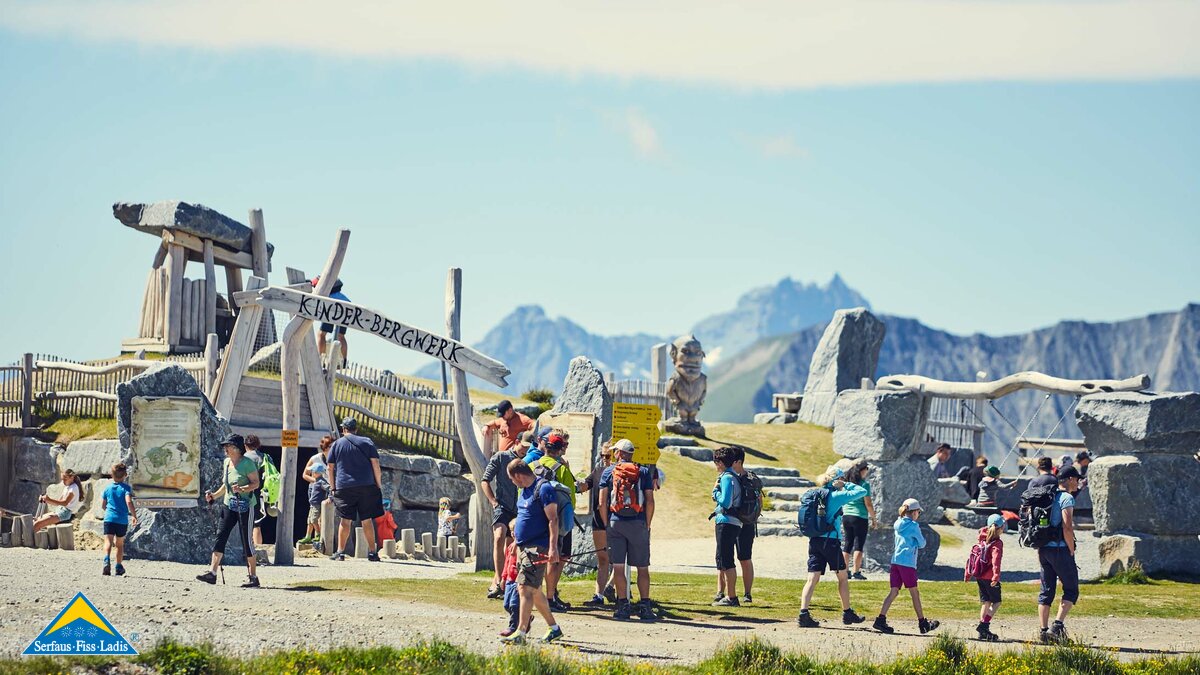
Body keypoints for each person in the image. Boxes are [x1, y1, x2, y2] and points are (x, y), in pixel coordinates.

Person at [501, 459, 564, 645]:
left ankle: (520, 632)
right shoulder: (524, 491)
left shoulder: (543, 489)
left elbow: (553, 520)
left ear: (519, 476)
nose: (513, 482)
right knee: (535, 591)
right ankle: (554, 629)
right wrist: (516, 542)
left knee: (524, 588)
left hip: (537, 548)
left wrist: (553, 548)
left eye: (512, 479)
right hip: (522, 547)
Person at [797, 466, 868, 629]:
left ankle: (803, 614)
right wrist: (846, 485)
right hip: (831, 541)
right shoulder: (836, 495)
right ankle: (847, 612)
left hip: (814, 540)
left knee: (812, 579)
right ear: (837, 479)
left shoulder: (817, 494)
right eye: (842, 478)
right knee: (842, 577)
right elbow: (861, 491)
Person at [598, 439, 657, 621]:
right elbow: (650, 501)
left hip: (616, 522)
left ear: (619, 453)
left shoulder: (609, 472)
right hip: (638, 523)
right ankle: (645, 607)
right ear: (631, 453)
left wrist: (607, 523)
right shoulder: (644, 472)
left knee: (618, 567)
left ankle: (623, 607)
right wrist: (647, 524)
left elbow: (601, 503)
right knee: (642, 568)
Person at [197, 434, 261, 588]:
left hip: (246, 506)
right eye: (225, 446)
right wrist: (214, 496)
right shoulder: (226, 463)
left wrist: (243, 489)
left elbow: (256, 484)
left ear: (237, 449)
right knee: (221, 536)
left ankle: (253, 577)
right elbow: (226, 486)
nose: (225, 449)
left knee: (247, 541)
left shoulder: (248, 464)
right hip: (229, 504)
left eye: (228, 446)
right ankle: (212, 573)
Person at [872, 499, 939, 634]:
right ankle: (923, 623)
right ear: (914, 512)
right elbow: (922, 544)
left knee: (894, 591)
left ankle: (880, 619)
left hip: (896, 561)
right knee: (914, 593)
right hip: (907, 563)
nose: (918, 514)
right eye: (918, 512)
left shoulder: (897, 523)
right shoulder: (914, 526)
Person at [481, 428, 530, 598]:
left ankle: (506, 582)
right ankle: (497, 578)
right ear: (516, 442)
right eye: (524, 446)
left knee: (511, 547)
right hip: (502, 506)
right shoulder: (501, 457)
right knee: (498, 536)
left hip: (520, 509)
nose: (526, 450)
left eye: (529, 447)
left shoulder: (529, 461)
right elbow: (484, 481)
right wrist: (494, 502)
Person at [327, 417, 384, 562]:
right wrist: (378, 484)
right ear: (356, 429)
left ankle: (340, 552)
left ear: (343, 429)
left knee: (345, 521)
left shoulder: (336, 444)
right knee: (367, 520)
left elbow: (330, 467)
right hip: (367, 485)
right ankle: (372, 552)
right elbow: (375, 463)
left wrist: (333, 487)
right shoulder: (367, 442)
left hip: (344, 486)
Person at [1038, 466, 1081, 644]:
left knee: (1046, 591)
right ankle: (1057, 626)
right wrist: (1071, 549)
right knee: (1071, 589)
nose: (1078, 482)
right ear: (1070, 479)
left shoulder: (1048, 497)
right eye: (1077, 479)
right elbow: (1067, 526)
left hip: (1043, 549)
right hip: (1060, 549)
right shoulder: (1066, 498)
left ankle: (1043, 630)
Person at [534, 431, 576, 610]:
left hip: (535, 519)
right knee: (554, 558)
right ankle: (550, 598)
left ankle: (532, 595)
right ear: (559, 450)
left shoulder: (531, 465)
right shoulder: (563, 470)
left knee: (534, 558)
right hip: (555, 521)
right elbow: (571, 500)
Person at [577, 441, 617, 607]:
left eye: (607, 455)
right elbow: (585, 485)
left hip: (616, 520)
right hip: (599, 521)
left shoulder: (620, 472)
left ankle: (613, 587)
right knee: (603, 559)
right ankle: (599, 595)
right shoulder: (599, 470)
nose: (604, 459)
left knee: (621, 559)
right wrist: (576, 484)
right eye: (602, 455)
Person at [710, 446, 743, 607]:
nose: (715, 465)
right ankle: (730, 595)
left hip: (726, 521)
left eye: (716, 462)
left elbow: (726, 501)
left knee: (726, 559)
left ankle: (731, 597)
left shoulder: (725, 478)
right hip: (734, 522)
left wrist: (715, 492)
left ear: (721, 462)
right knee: (725, 558)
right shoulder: (734, 476)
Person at [966, 513, 1006, 641]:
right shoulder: (997, 543)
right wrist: (996, 576)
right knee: (997, 602)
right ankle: (984, 626)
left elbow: (971, 558)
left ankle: (982, 631)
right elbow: (996, 561)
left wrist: (967, 574)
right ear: (1000, 528)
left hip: (979, 576)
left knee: (986, 602)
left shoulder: (982, 539)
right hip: (990, 578)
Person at [729, 446, 758, 603]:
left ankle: (747, 593)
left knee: (744, 558)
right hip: (742, 522)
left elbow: (758, 501)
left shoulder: (749, 479)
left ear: (738, 462)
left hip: (744, 523)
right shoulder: (730, 476)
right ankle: (724, 592)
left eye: (731, 461)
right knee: (726, 559)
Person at [840, 460, 877, 581]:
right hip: (860, 516)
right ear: (862, 470)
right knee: (858, 545)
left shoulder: (846, 484)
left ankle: (845, 570)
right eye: (866, 469)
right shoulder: (864, 485)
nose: (867, 472)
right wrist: (873, 518)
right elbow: (868, 503)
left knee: (847, 544)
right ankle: (856, 571)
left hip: (846, 516)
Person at [101, 463, 137, 577]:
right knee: (119, 544)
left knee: (108, 541)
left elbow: (103, 505)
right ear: (125, 475)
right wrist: (134, 515)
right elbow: (128, 501)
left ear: (112, 475)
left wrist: (108, 510)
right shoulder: (126, 488)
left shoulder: (107, 489)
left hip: (109, 518)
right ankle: (118, 566)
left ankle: (106, 560)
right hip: (121, 520)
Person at [299, 435, 334, 546]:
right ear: (325, 448)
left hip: (328, 488)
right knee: (312, 513)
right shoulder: (315, 458)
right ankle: (308, 536)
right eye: (331, 446)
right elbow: (305, 474)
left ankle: (320, 538)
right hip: (315, 488)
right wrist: (317, 481)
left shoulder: (337, 458)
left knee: (322, 514)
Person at [33, 469, 81, 534]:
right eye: (62, 479)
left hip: (64, 513)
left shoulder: (73, 488)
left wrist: (49, 499)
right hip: (59, 510)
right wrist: (46, 500)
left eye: (65, 479)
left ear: (71, 477)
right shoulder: (67, 487)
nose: (63, 482)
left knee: (37, 524)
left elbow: (65, 503)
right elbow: (59, 502)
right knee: (37, 520)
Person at [314, 276, 350, 362]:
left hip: (331, 306)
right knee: (341, 336)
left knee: (321, 334)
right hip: (347, 306)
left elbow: (315, 289)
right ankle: (344, 360)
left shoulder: (323, 280)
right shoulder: (340, 294)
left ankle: (321, 358)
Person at [243, 434, 266, 547]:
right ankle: (258, 549)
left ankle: (247, 548)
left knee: (245, 522)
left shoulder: (244, 458)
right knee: (257, 523)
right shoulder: (264, 457)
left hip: (246, 491)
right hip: (261, 493)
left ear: (245, 445)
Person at [498, 535, 523, 637]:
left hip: (517, 580)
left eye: (515, 531)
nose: (513, 534)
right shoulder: (509, 547)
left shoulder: (522, 548)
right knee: (506, 605)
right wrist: (503, 578)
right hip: (509, 579)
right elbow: (506, 563)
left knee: (514, 604)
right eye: (512, 531)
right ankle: (525, 617)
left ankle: (512, 627)